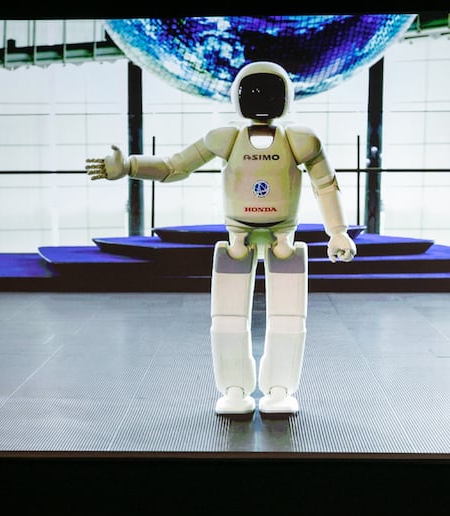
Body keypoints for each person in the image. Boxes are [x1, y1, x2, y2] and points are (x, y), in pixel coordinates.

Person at [85, 60, 357, 417]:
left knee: (289, 318)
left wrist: (338, 232)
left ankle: (279, 389)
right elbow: (173, 166)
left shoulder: (301, 140)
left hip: (283, 238)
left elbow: (326, 185)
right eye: (255, 90)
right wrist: (129, 167)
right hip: (237, 239)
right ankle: (234, 389)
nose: (261, 97)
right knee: (227, 318)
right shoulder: (226, 137)